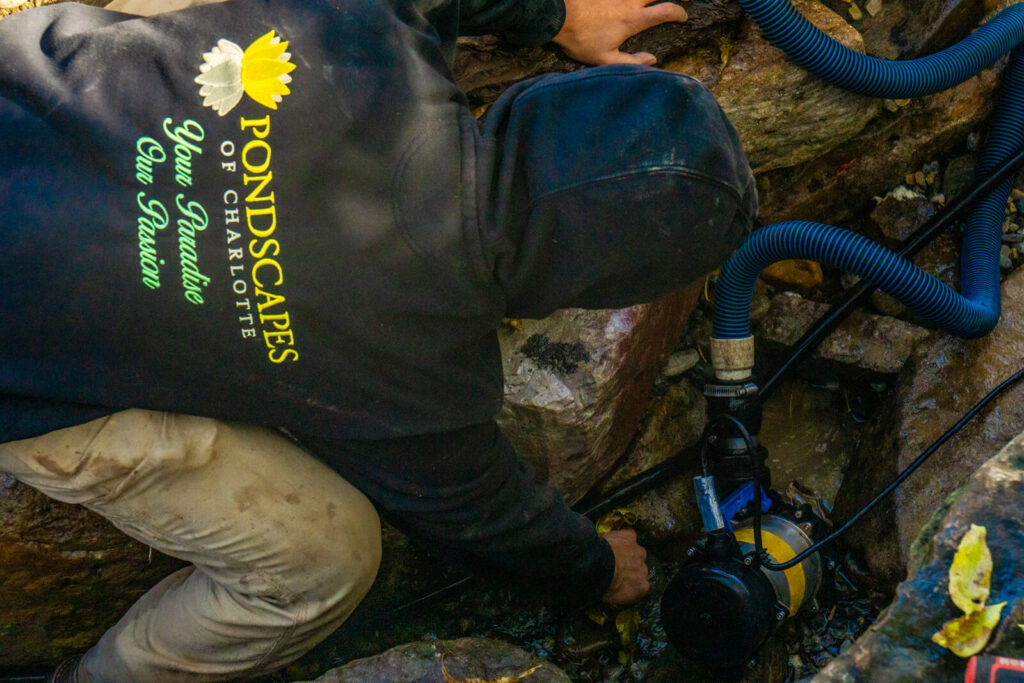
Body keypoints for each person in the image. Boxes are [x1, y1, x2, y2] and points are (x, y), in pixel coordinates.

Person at [0, 0, 756, 679]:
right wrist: (596, 569)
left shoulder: (378, 27)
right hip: (21, 364)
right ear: (592, 286)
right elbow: (487, 517)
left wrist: (557, 14)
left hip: (21, 99)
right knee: (327, 561)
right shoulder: (424, 382)